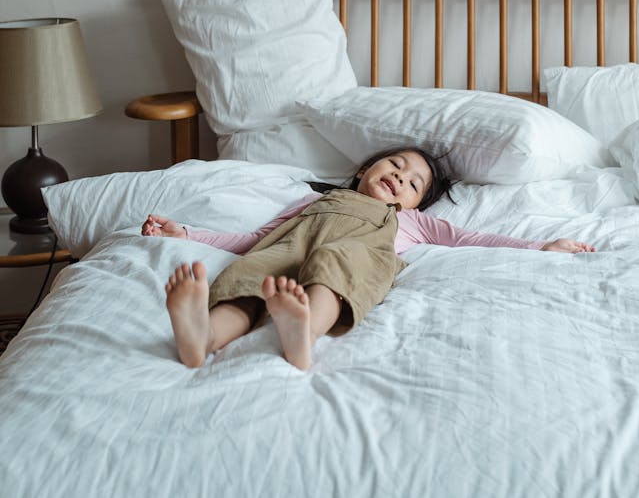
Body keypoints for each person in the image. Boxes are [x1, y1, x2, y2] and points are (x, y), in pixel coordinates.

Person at [142, 146, 595, 372]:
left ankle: (304, 332)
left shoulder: (412, 223)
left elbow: (471, 237)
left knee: (339, 264)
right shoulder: (308, 201)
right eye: (395, 166)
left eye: (414, 183)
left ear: (416, 206)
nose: (400, 178)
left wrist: (540, 246)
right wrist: (185, 232)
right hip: (290, 245)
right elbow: (253, 238)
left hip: (355, 251)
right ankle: (203, 336)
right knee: (251, 272)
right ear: (363, 171)